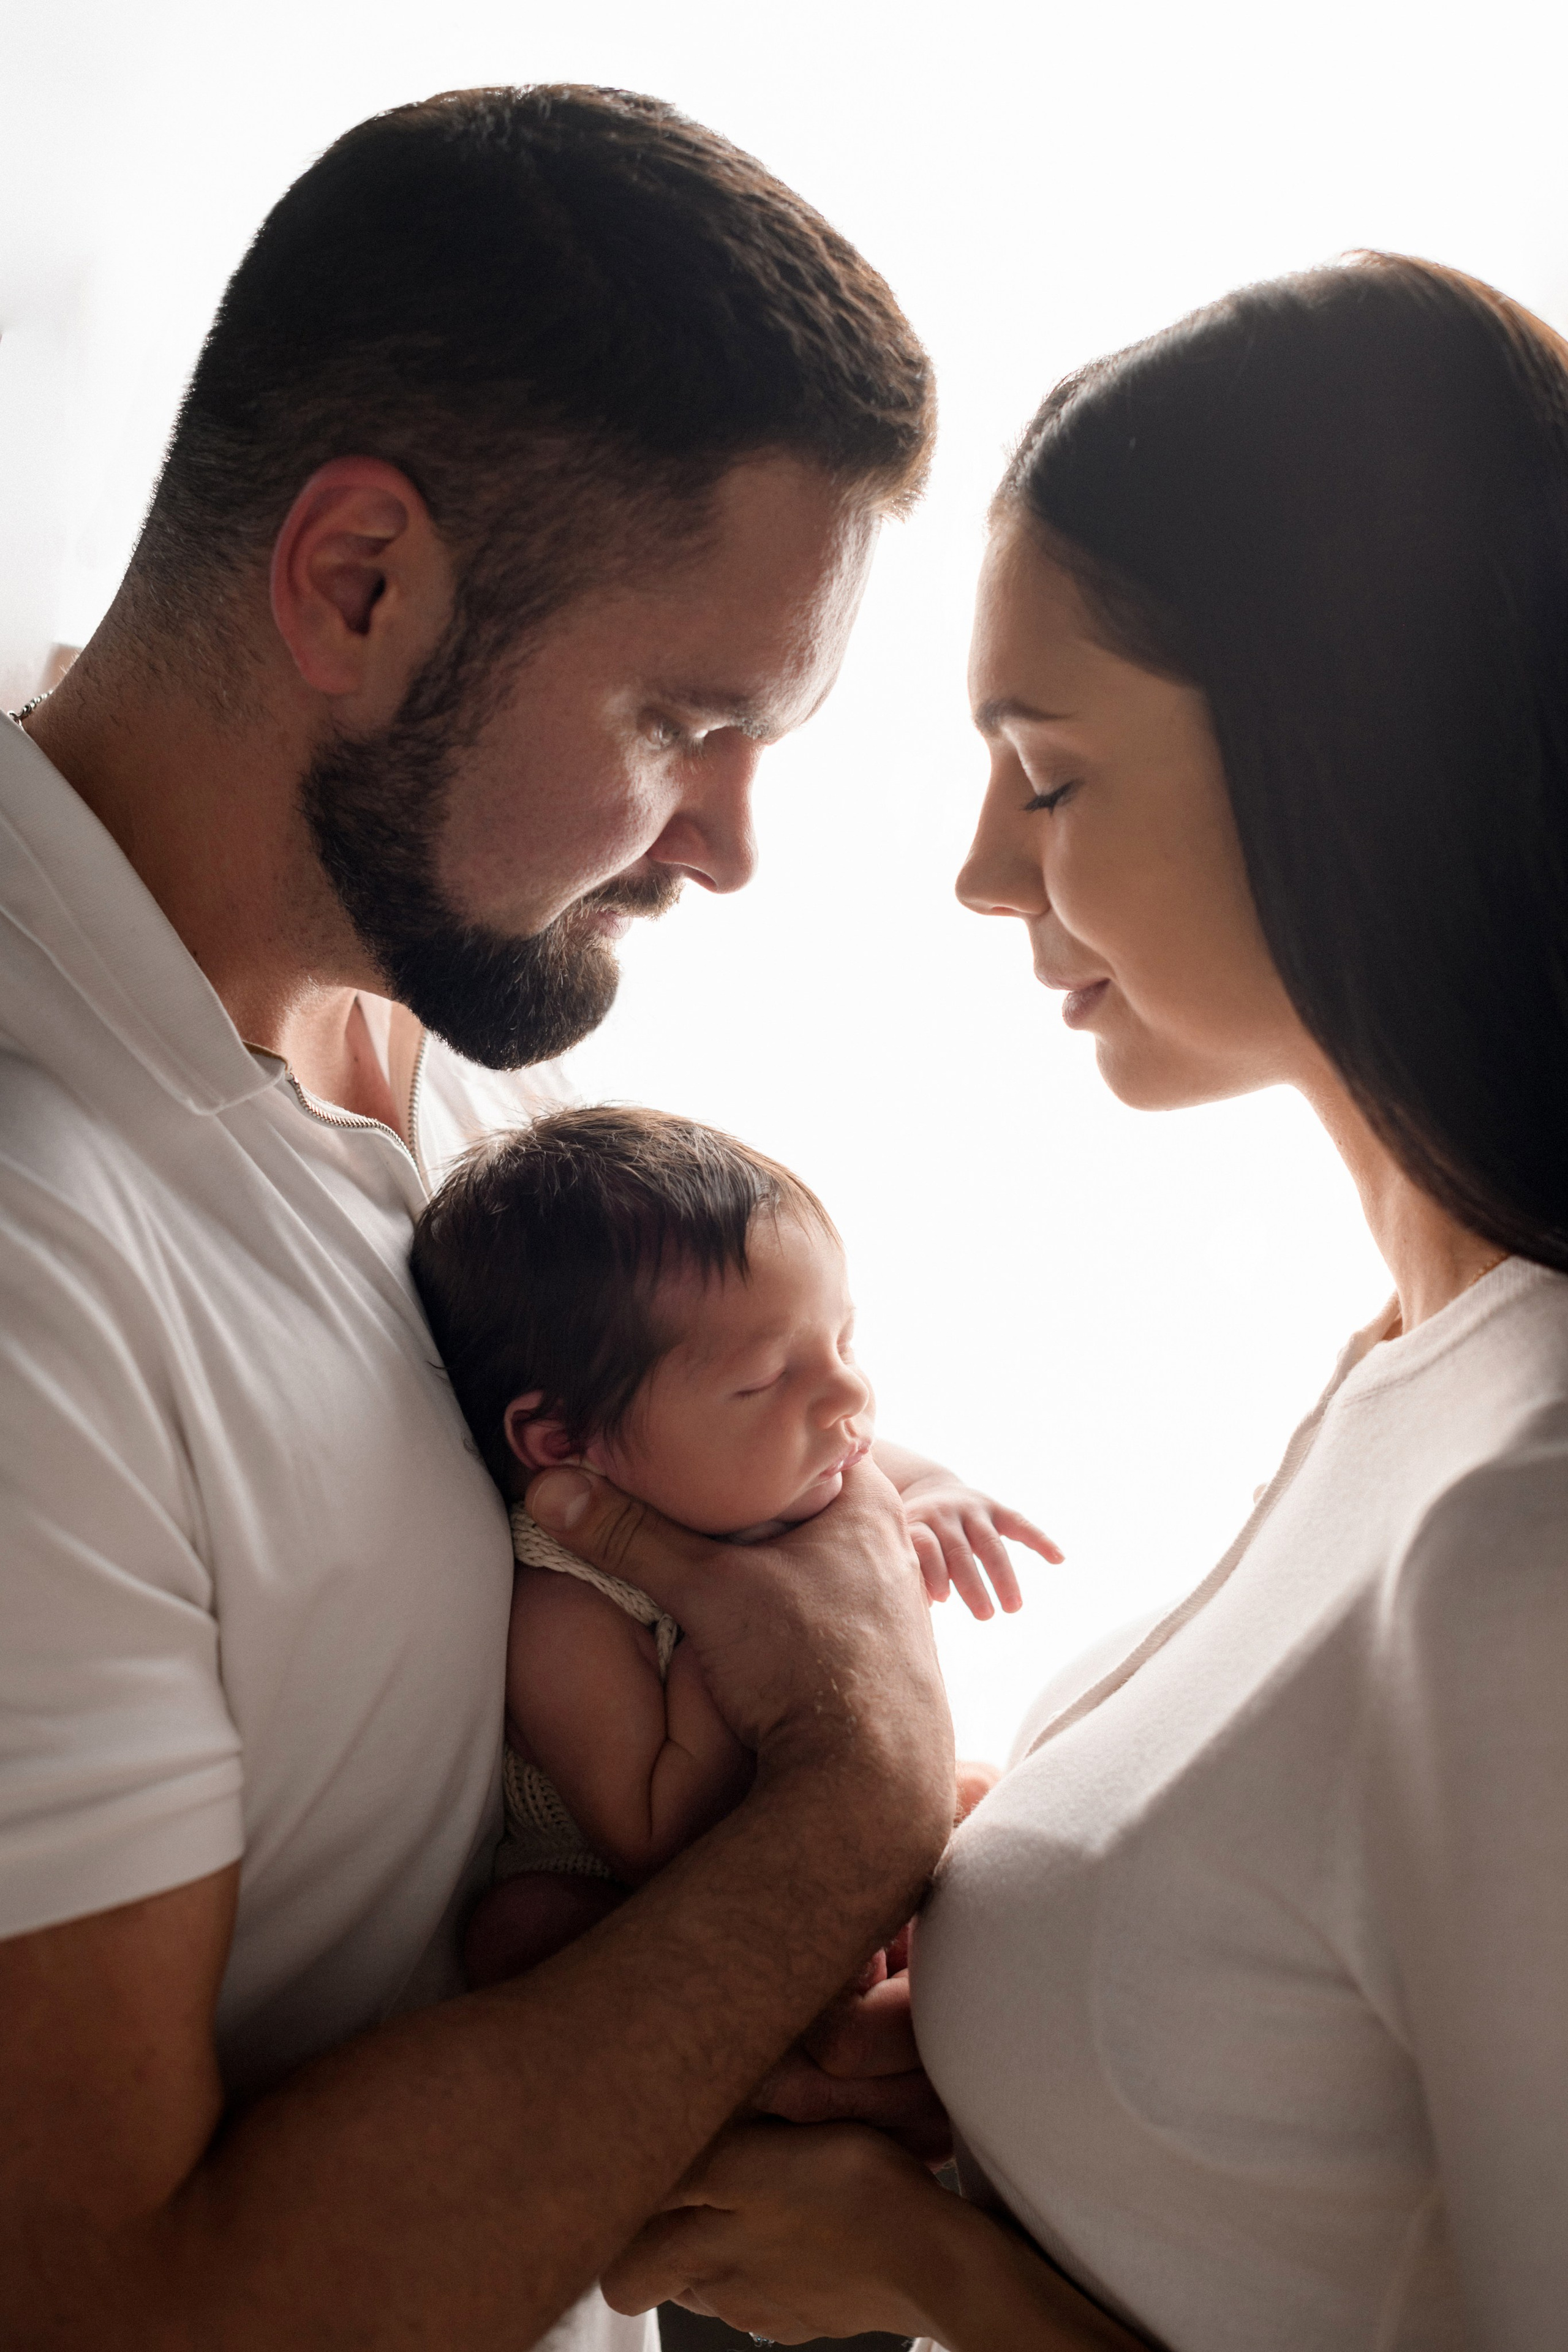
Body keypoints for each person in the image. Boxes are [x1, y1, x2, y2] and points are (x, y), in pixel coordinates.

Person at [0, 85, 958, 2350]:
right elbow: (114, 2304)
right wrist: (852, 1807)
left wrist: (734, 1995)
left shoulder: (449, 1023)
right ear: (359, 583)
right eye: (686, 721)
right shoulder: (40, 1256)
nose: (729, 844)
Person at [595, 253, 1568, 2350]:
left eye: (1046, 775)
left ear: (1352, 759)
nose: (979, 869)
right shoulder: (1407, 1373)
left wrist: (925, 2267)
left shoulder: (1531, 1531)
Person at [408, 1105, 1057, 1981]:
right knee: (518, 1928)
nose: (849, 1395)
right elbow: (652, 1835)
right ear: (565, 1442)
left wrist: (938, 1493)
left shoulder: (789, 1463)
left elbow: (882, 1466)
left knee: (981, 1788)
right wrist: (730, 1646)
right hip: (647, 1889)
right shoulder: (568, 1604)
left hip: (825, 1814)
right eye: (766, 1379)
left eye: (843, 1340)